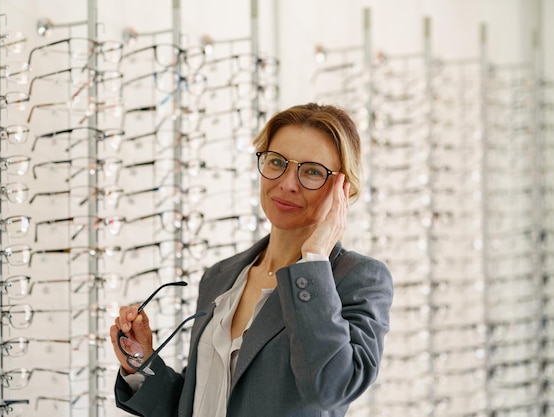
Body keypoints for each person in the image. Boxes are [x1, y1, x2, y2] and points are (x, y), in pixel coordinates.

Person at [110, 102, 393, 417]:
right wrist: (140, 360)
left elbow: (329, 389)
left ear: (343, 189)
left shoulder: (358, 279)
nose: (287, 183)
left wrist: (313, 260)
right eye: (277, 162)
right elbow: (198, 400)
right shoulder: (222, 276)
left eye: (312, 171)